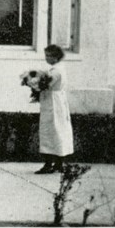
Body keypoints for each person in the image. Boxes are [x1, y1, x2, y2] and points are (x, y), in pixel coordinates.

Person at [35, 44, 74, 174]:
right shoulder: (58, 68)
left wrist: (34, 85)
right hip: (57, 101)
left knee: (51, 131)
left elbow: (46, 85)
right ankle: (58, 163)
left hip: (53, 102)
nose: (46, 58)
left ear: (56, 57)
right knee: (58, 130)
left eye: (49, 56)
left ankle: (49, 164)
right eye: (46, 55)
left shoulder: (55, 71)